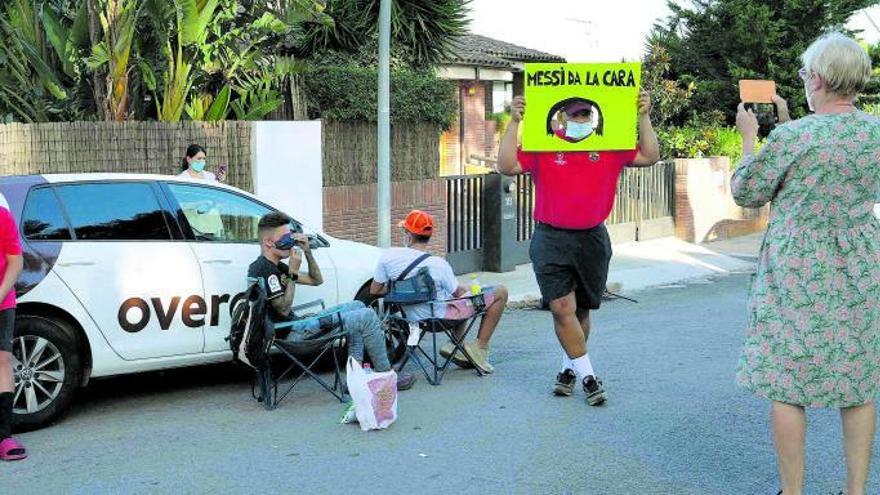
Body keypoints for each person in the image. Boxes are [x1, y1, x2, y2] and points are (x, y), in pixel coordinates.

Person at [733, 32, 879, 495]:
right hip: (861, 264)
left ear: (817, 77)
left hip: (796, 269)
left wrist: (749, 140)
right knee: (857, 380)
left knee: (787, 381)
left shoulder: (792, 138)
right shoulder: (875, 132)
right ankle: (856, 490)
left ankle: (792, 492)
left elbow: (747, 192)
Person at [496, 91, 660, 406]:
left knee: (581, 309)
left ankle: (567, 370)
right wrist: (514, 122)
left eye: (585, 114)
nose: (579, 119)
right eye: (574, 114)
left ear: (593, 116)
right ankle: (588, 378)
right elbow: (506, 165)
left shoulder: (608, 144)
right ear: (562, 116)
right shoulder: (544, 144)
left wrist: (643, 116)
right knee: (561, 308)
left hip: (592, 239)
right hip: (551, 237)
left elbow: (650, 156)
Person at [248, 212, 415, 390]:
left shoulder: (274, 266)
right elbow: (282, 309)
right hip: (292, 335)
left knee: (359, 306)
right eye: (286, 239)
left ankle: (355, 378)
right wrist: (292, 273)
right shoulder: (265, 270)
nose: (291, 244)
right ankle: (386, 375)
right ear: (268, 242)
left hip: (297, 327)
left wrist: (308, 252)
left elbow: (316, 280)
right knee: (365, 316)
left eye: (291, 238)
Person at [370, 210, 509, 374]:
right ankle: (480, 347)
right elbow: (458, 293)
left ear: (408, 234)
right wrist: (468, 288)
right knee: (500, 291)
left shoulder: (388, 257)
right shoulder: (438, 264)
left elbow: (375, 290)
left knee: (452, 299)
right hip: (441, 318)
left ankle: (456, 346)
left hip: (413, 319)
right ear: (428, 236)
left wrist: (402, 288)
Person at [0, 206, 24, 461]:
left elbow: (15, 261)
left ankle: (4, 435)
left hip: (2, 300)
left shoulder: (2, 217)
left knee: (2, 360)